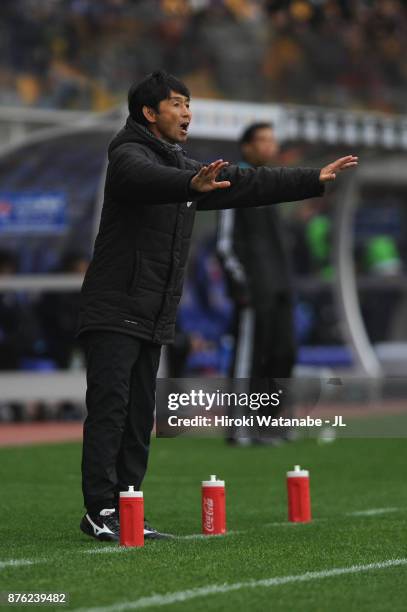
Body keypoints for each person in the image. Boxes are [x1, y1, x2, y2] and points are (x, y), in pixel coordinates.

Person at [76, 70, 358, 542]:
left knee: (140, 414)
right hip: (114, 307)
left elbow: (247, 184)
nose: (187, 112)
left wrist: (312, 178)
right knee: (111, 410)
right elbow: (150, 180)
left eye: (189, 104)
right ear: (149, 113)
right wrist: (190, 184)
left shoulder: (186, 167)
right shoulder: (127, 155)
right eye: (177, 104)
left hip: (151, 312)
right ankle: (99, 510)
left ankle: (126, 508)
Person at [216, 122, 297, 445]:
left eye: (272, 140)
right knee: (249, 356)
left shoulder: (272, 185)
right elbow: (224, 244)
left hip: (280, 286)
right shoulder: (233, 181)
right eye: (262, 140)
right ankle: (240, 427)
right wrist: (240, 285)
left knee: (283, 353)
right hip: (253, 288)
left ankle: (270, 423)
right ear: (246, 147)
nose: (269, 146)